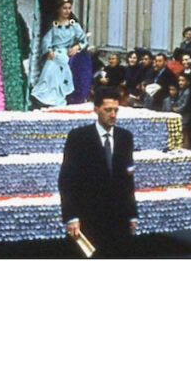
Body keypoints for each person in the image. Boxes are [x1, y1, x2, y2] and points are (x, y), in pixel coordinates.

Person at [58, 86, 138, 257]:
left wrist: (132, 215)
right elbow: (67, 180)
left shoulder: (125, 137)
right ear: (96, 109)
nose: (113, 115)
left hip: (119, 216)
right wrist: (71, 217)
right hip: (89, 215)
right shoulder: (79, 137)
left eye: (116, 110)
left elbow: (128, 179)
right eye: (108, 110)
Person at [31, 0, 88, 107]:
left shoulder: (74, 26)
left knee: (59, 61)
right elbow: (46, 40)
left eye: (69, 8)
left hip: (66, 53)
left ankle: (58, 95)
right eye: (64, 8)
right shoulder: (53, 25)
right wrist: (48, 50)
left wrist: (77, 47)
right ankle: (44, 94)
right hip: (55, 53)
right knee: (50, 65)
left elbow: (84, 40)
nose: (67, 11)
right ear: (59, 9)